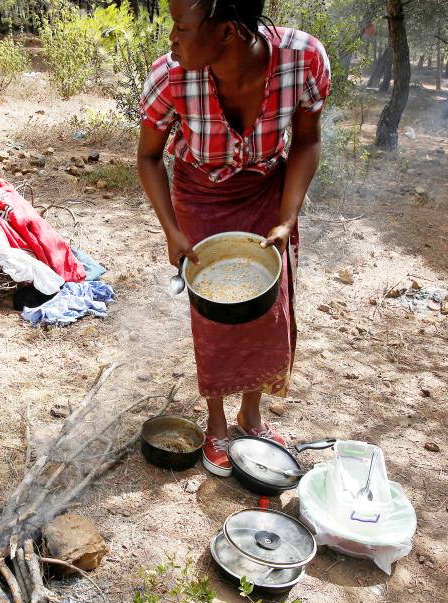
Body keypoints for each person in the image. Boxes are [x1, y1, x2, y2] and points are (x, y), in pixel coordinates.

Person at [136, 0, 330, 477]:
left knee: (265, 306)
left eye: (181, 27)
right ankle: (217, 422)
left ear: (226, 32)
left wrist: (287, 219)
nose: (171, 38)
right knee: (215, 314)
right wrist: (173, 232)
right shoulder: (170, 78)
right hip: (200, 196)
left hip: (267, 191)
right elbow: (148, 159)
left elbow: (305, 141)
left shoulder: (301, 59)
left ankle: (252, 414)